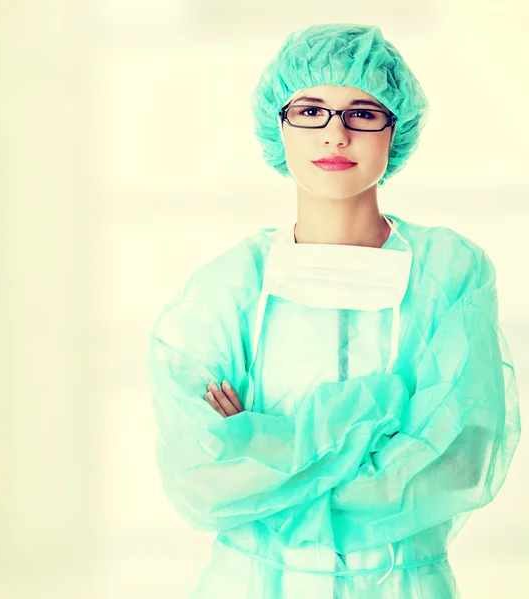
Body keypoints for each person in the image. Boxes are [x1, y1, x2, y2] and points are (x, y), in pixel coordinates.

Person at [145, 23, 521, 598]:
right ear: (280, 125)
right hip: (252, 582)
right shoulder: (229, 288)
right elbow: (204, 472)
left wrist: (259, 439)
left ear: (396, 129)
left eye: (363, 113)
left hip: (402, 583)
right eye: (311, 110)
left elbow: (457, 462)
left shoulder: (449, 272)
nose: (335, 135)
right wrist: (384, 431)